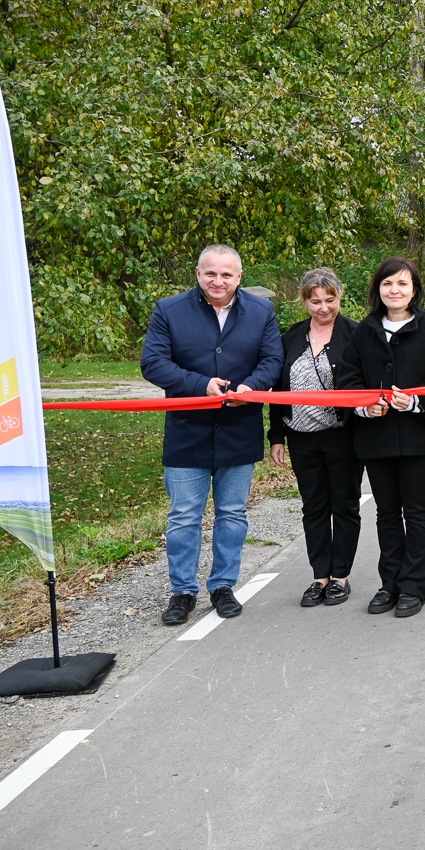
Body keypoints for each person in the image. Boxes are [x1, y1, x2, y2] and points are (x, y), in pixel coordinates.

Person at [140, 244, 284, 626]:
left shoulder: (262, 311)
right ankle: (182, 592)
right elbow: (152, 362)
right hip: (187, 430)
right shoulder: (168, 310)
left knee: (232, 513)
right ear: (198, 273)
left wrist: (251, 388)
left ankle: (223, 586)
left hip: (240, 428)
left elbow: (272, 360)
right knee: (184, 516)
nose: (217, 281)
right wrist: (199, 384)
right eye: (210, 273)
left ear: (239, 277)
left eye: (226, 274)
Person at [333, 257, 425, 619]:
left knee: (415, 510)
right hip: (375, 436)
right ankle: (389, 583)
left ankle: (414, 587)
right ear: (378, 289)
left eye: (403, 284)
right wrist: (362, 406)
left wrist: (417, 400)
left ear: (414, 290)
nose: (395, 290)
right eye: (388, 284)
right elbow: (348, 378)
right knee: (386, 511)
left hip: (419, 437)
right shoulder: (365, 330)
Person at [268, 269, 363, 608]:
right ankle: (319, 575)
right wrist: (276, 435)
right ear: (304, 300)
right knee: (314, 507)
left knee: (345, 505)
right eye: (315, 301)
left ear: (339, 296)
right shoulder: (291, 337)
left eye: (330, 300)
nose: (323, 308)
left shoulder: (356, 333)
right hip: (301, 437)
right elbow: (279, 390)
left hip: (343, 436)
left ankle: (340, 577)